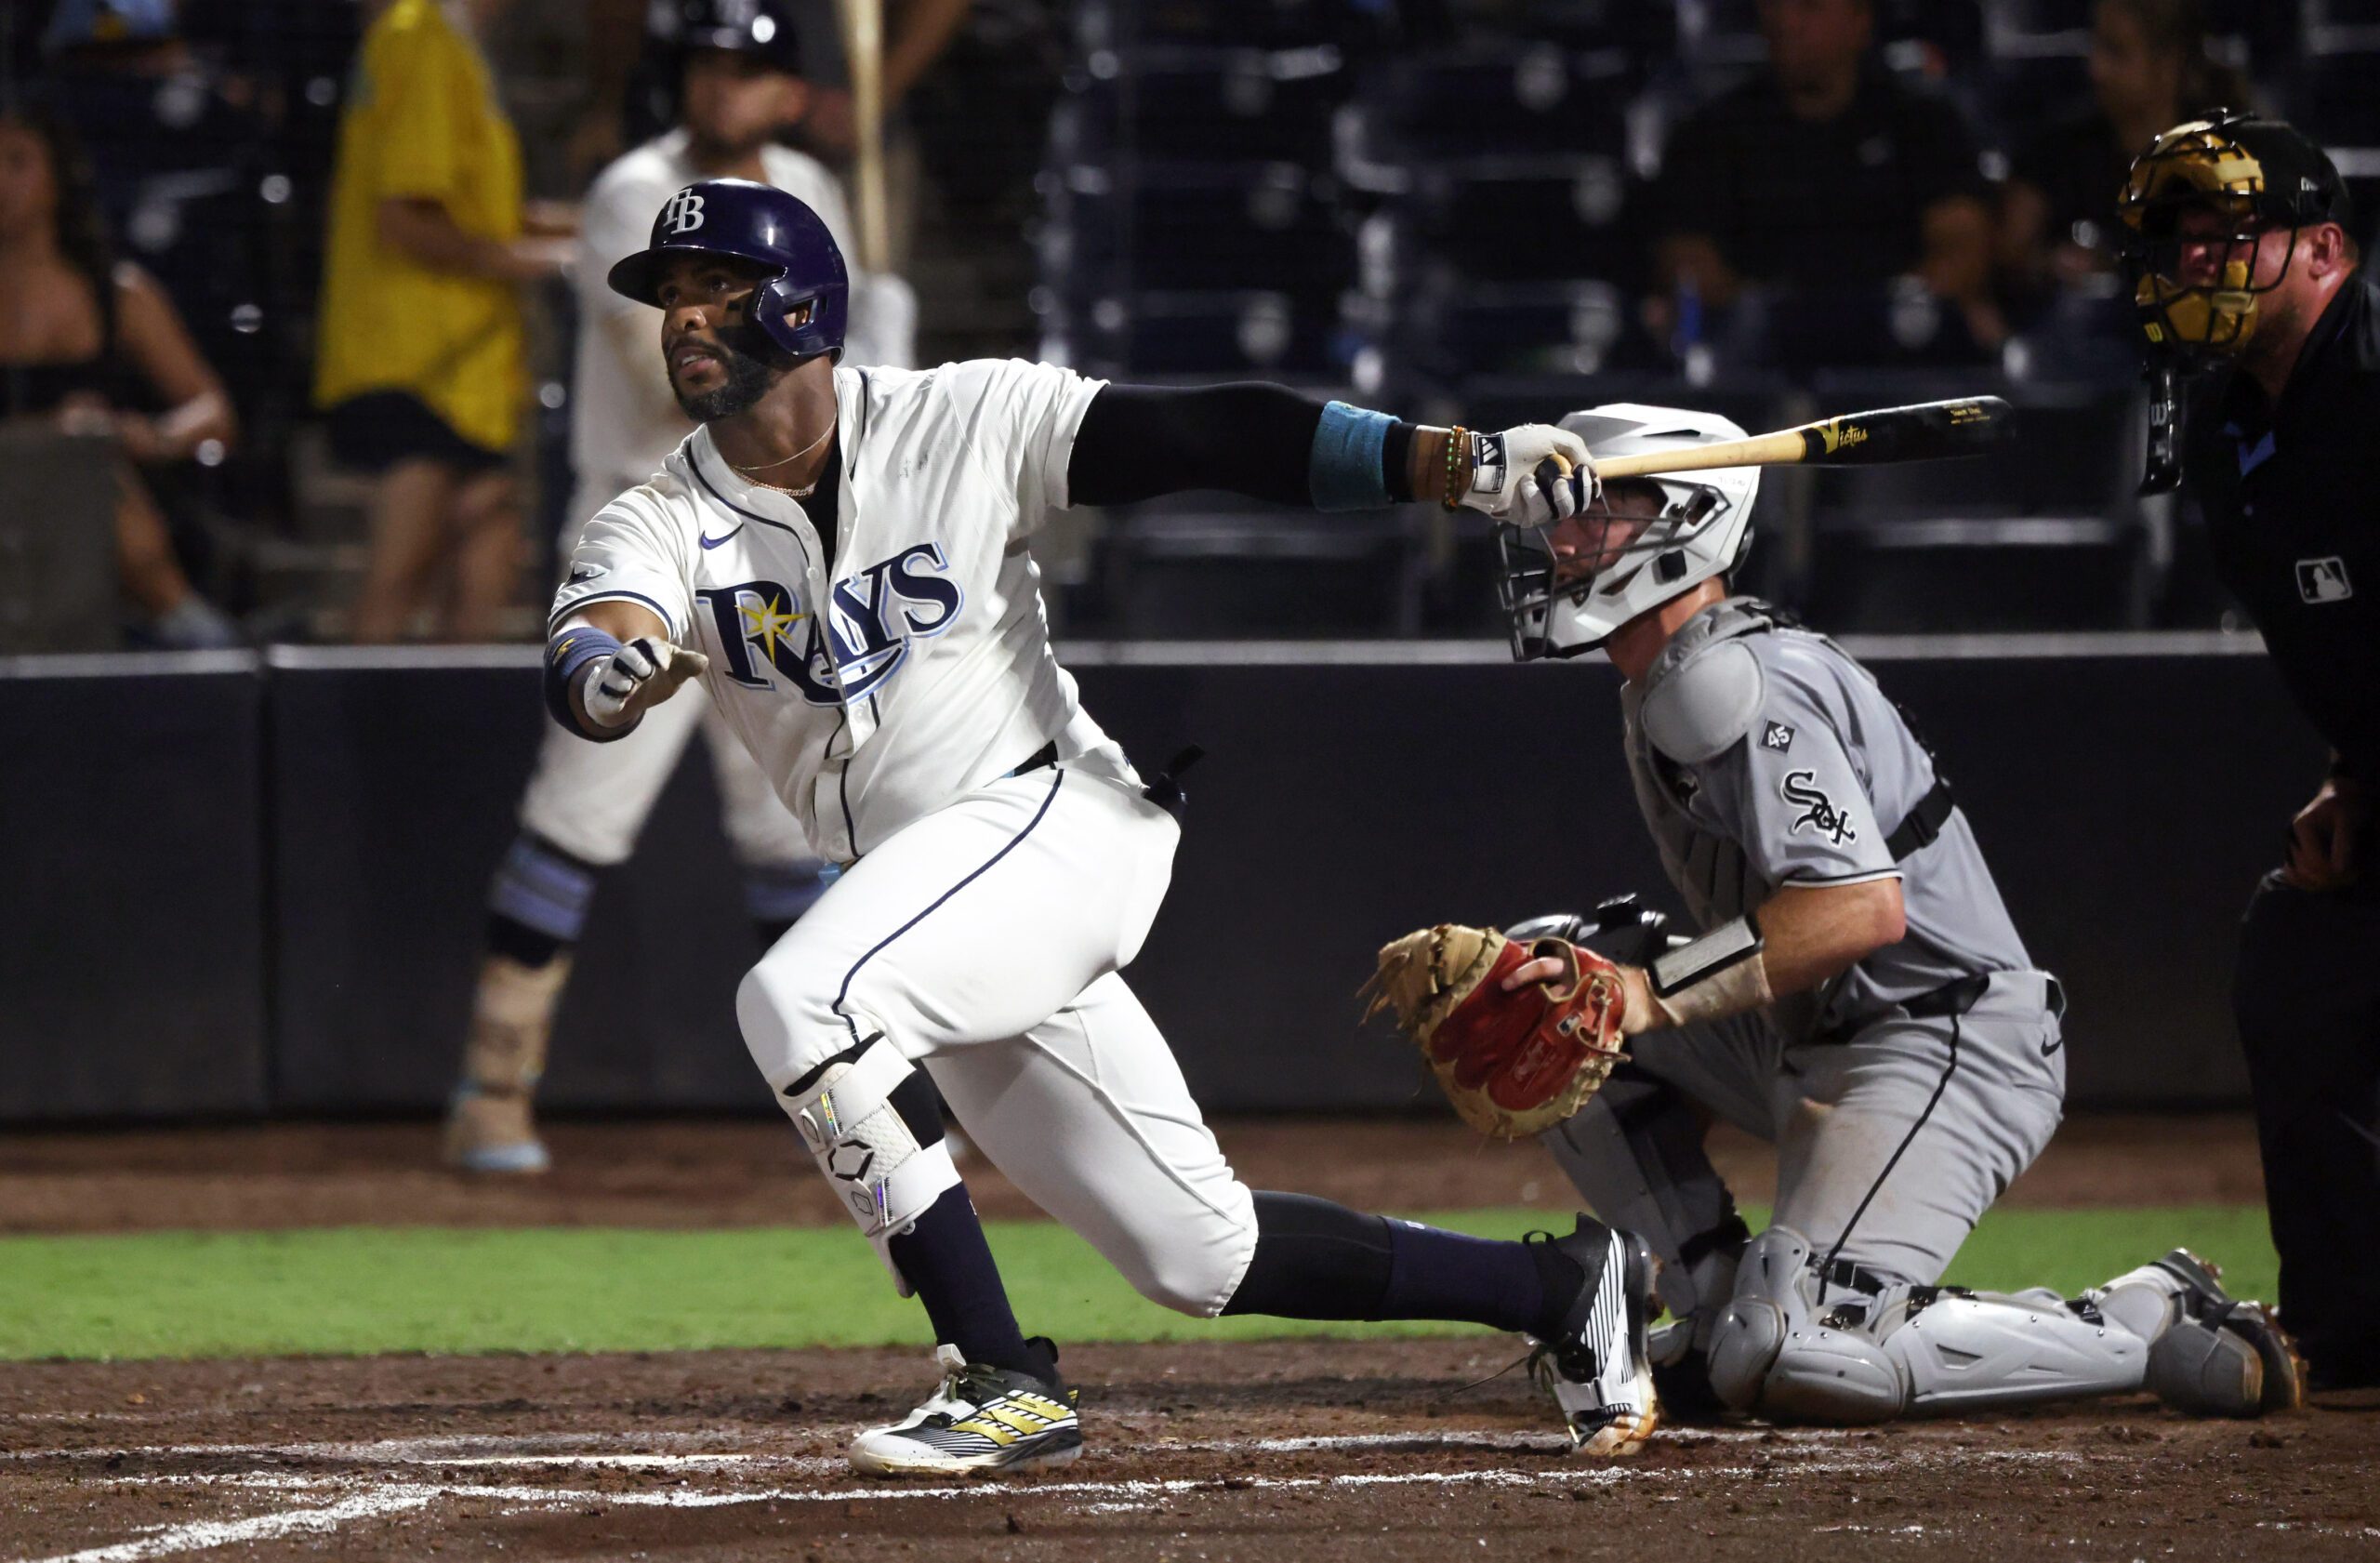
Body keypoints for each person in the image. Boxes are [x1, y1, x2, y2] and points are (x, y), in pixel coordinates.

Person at [541, 176, 1662, 1473]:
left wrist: (1447, 463)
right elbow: (597, 631)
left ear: (801, 305)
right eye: (671, 296)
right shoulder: (661, 513)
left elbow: (1206, 437)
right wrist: (606, 669)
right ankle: (1565, 1290)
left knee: (799, 999)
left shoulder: (963, 418)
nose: (683, 320)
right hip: (938, 907)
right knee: (1200, 1251)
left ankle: (1001, 1375)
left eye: (714, 289)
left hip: (1047, 819)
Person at [1476, 402, 2302, 1423]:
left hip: (1944, 1035)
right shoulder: (1673, 678)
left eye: (1596, 515)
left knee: (1797, 1354)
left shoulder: (1734, 683)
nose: (1562, 541)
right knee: (1529, 987)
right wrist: (1615, 991)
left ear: (1681, 525)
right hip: (1812, 1034)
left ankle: (2137, 1318)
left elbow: (1861, 910)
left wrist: (1646, 993)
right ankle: (1708, 1300)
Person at [444, 0, 914, 1176]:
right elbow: (686, 383)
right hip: (646, 545)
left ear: (787, 91)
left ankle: (847, 1110)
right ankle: (492, 1091)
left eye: (743, 69)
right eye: (704, 66)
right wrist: (843, 348)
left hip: (770, 551)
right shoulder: (632, 193)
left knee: (789, 834)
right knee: (579, 814)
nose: (720, 88)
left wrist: (868, 339)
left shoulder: (812, 183)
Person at [2121, 111, 2380, 1393]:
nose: (2195, 263)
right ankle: (2356, 1322)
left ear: (2325, 248)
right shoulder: (2229, 429)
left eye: (2227, 236)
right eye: (2181, 242)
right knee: (2298, 956)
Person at [313, 0, 571, 642]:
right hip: (417, 362)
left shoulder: (454, 47)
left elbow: (484, 210)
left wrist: (598, 226)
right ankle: (340, 741)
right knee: (402, 574)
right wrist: (540, 263)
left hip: (470, 377)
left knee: (488, 561)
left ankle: (457, 737)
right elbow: (403, 218)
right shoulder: (421, 38)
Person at [0, 102, 239, 648]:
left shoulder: (121, 295)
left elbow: (215, 414)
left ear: (58, 176)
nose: (0, 183)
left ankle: (209, 654)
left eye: (18, 162)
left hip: (102, 518)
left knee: (100, 482)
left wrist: (148, 435)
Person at [1647, 0, 2003, 360]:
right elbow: (1687, 259)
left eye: (1809, 7)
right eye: (1775, 7)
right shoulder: (1711, 132)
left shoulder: (1922, 123)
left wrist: (1879, 313)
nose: (1787, 21)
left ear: (1860, 21)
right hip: (1759, 351)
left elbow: (1961, 245)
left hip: (1895, 348)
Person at [2000, 0, 2251, 305]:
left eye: (2116, 51)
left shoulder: (2228, 150)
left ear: (2169, 64)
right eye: (2098, 46)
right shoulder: (2060, 146)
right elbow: (2010, 253)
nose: (2096, 68)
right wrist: (2050, 264)